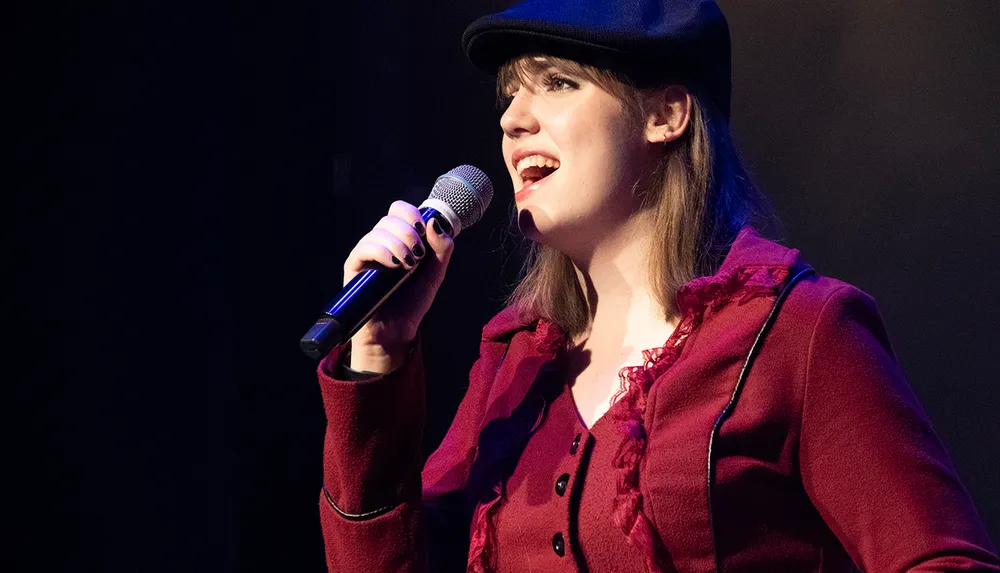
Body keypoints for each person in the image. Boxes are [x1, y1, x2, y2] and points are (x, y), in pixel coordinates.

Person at [315, 0, 999, 571]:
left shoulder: (797, 333)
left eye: (558, 83)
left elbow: (945, 560)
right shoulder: (514, 363)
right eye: (512, 93)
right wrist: (378, 350)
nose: (512, 119)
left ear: (666, 114)